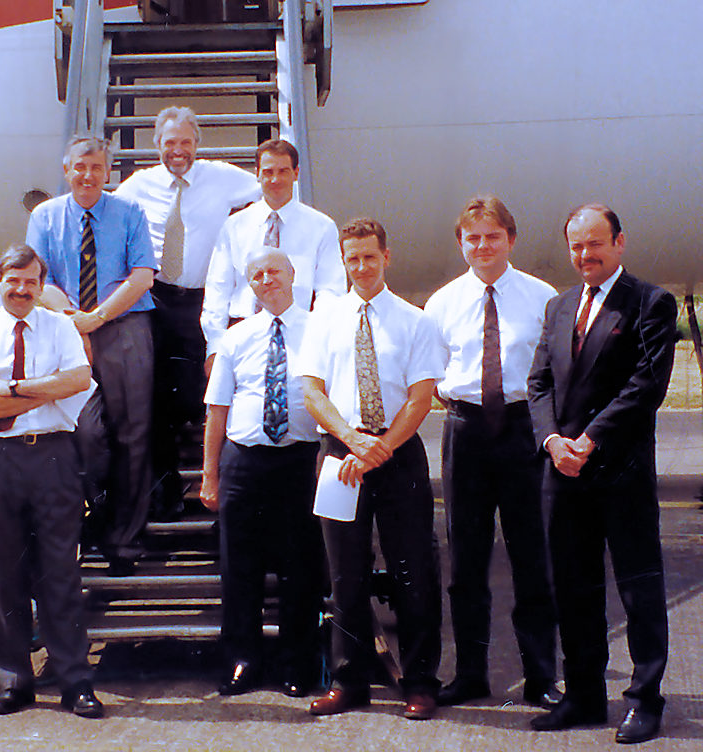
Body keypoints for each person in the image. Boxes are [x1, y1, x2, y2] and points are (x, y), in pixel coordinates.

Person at [528, 205, 677, 744]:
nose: (584, 255)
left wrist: (589, 440)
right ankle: (585, 695)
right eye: (576, 246)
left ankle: (644, 700)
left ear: (619, 242)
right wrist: (552, 441)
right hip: (564, 471)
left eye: (595, 244)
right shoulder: (559, 305)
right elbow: (539, 383)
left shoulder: (650, 302)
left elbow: (646, 385)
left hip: (619, 470)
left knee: (638, 590)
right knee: (573, 588)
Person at [301, 218, 443, 720]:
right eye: (352, 258)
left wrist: (377, 448)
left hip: (397, 454)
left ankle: (420, 682)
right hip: (341, 455)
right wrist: (353, 440)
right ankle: (349, 681)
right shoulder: (324, 318)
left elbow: (420, 398)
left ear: (387, 257)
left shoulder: (414, 320)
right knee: (345, 574)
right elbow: (313, 392)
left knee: (413, 571)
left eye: (369, 256)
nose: (361, 266)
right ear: (343, 261)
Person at [423, 196, 561, 709]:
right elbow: (435, 375)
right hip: (467, 431)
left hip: (524, 430)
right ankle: (470, 674)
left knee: (532, 557)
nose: (483, 246)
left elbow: (553, 372)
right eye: (473, 238)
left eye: (493, 236)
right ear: (461, 243)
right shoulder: (441, 303)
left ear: (511, 239)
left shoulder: (542, 297)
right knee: (466, 560)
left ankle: (541, 677)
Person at [0, 244, 103, 718]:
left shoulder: (60, 327)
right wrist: (47, 390)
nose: (21, 290)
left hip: (53, 457)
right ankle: (14, 681)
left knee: (59, 572)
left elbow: (79, 379)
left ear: (41, 286)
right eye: (13, 281)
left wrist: (14, 389)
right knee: (1, 574)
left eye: (30, 282)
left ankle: (75, 681)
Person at [115, 106, 260, 520]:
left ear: (197, 143)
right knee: (155, 397)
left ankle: (222, 491)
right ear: (156, 145)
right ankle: (166, 491)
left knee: (209, 392)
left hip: (205, 302)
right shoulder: (138, 185)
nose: (177, 150)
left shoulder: (223, 177)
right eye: (169, 143)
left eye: (184, 142)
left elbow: (268, 191)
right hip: (157, 300)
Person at [26, 136, 157, 576]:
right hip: (67, 328)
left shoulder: (129, 212)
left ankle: (124, 540)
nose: (87, 176)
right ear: (67, 170)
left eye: (96, 168)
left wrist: (97, 317)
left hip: (124, 327)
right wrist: (73, 320)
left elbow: (142, 276)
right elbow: (38, 279)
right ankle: (97, 515)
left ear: (107, 171)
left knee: (133, 435)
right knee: (84, 431)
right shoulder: (45, 216)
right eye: (79, 167)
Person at [200, 249, 323, 698]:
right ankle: (242, 660)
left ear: (293, 274)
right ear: (248, 284)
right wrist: (210, 475)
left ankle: (296, 663)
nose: (267, 279)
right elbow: (218, 409)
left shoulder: (320, 331)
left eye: (274, 271)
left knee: (300, 567)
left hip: (300, 460)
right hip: (244, 461)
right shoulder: (236, 338)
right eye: (257, 275)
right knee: (239, 567)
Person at [201, 138, 345, 371]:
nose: (275, 179)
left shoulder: (321, 227)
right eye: (268, 172)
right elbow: (218, 288)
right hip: (242, 331)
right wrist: (215, 346)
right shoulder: (234, 226)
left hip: (299, 334)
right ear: (257, 174)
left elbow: (331, 290)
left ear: (296, 173)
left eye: (283, 171)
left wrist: (319, 336)